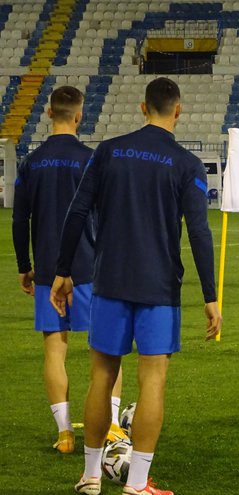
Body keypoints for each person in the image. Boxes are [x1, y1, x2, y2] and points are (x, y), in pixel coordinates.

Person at [50, 78, 221, 495]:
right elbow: (199, 233)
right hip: (158, 286)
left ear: (143, 107)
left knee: (101, 378)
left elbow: (77, 212)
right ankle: (137, 484)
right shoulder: (186, 164)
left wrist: (62, 270)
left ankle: (91, 476)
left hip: (109, 280)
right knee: (153, 382)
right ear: (177, 112)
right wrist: (211, 297)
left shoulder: (108, 150)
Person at [11, 86, 127, 455]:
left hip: (47, 269)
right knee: (107, 349)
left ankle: (64, 432)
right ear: (79, 116)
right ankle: (109, 427)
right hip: (90, 267)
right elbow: (109, 216)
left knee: (54, 351)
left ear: (48, 113)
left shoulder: (31, 162)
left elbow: (19, 219)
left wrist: (24, 267)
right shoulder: (92, 159)